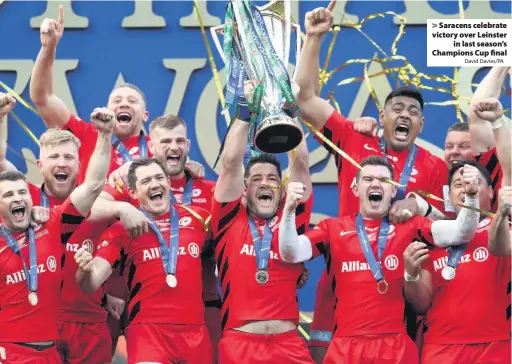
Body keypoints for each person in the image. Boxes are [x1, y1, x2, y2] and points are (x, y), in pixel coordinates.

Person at [295, 2, 448, 358]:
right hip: (343, 279)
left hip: (403, 290)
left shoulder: (434, 165)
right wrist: (314, 38)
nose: (405, 115)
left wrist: (421, 203)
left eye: (414, 112)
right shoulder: (354, 138)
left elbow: (449, 227)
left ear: (422, 126)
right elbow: (304, 99)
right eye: (397, 108)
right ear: (381, 115)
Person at [278, 155, 482, 364]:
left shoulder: (412, 226)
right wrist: (289, 210)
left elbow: (461, 232)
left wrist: (472, 194)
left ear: (393, 191)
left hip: (396, 347)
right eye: (368, 179)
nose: (376, 183)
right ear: (355, 188)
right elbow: (290, 252)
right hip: (346, 347)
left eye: (384, 180)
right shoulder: (332, 229)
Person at [97, 114, 222, 361]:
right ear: (151, 147)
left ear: (187, 146)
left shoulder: (209, 189)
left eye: (179, 141)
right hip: (143, 311)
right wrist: (122, 208)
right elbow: (92, 208)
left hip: (203, 308)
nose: (173, 147)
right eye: (165, 142)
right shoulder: (129, 183)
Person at [210, 80, 314, 363]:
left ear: (281, 189)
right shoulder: (227, 221)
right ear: (244, 190)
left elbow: (301, 162)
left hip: (289, 344)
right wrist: (244, 110)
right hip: (241, 343)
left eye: (272, 179)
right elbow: (231, 163)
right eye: (256, 179)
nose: (264, 183)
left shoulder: (293, 218)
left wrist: (291, 109)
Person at [0, 107, 115, 363]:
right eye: (8, 195)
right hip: (11, 352)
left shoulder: (54, 222)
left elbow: (94, 185)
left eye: (20, 194)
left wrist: (105, 135)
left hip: (51, 350)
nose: (17, 198)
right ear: (40, 166)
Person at [74, 157, 212, 363]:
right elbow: (90, 283)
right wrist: (84, 270)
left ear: (167, 182)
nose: (155, 184)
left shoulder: (200, 219)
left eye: (159, 178)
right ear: (132, 192)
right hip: (148, 332)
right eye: (146, 181)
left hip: (196, 331)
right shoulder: (120, 231)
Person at [404, 160, 511, 363]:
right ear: (448, 195)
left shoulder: (503, 232)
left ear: (490, 192)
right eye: (458, 185)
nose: (466, 188)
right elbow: (420, 305)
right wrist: (411, 275)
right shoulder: (433, 235)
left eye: (474, 182)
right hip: (442, 349)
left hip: (495, 347)